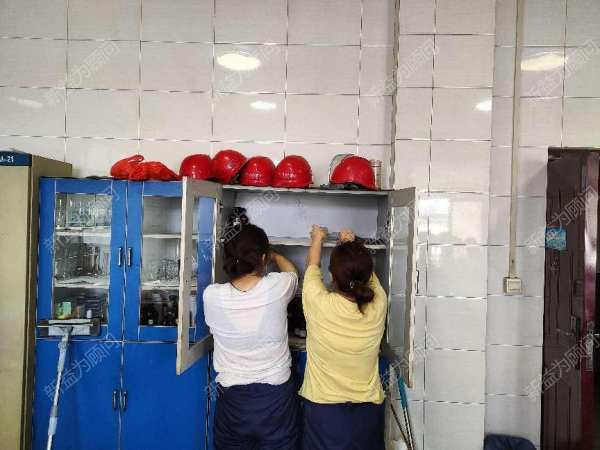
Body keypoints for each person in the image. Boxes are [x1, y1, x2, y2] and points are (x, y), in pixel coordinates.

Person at [203, 223, 300, 450]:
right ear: (263, 258)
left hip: (232, 399)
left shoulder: (212, 296)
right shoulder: (278, 286)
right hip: (276, 397)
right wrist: (275, 255)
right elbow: (292, 273)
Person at [299, 225, 388, 450]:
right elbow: (366, 275)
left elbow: (312, 265)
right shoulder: (379, 303)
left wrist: (318, 238)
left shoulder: (318, 302)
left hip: (323, 411)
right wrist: (351, 244)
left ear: (331, 275)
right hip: (368, 412)